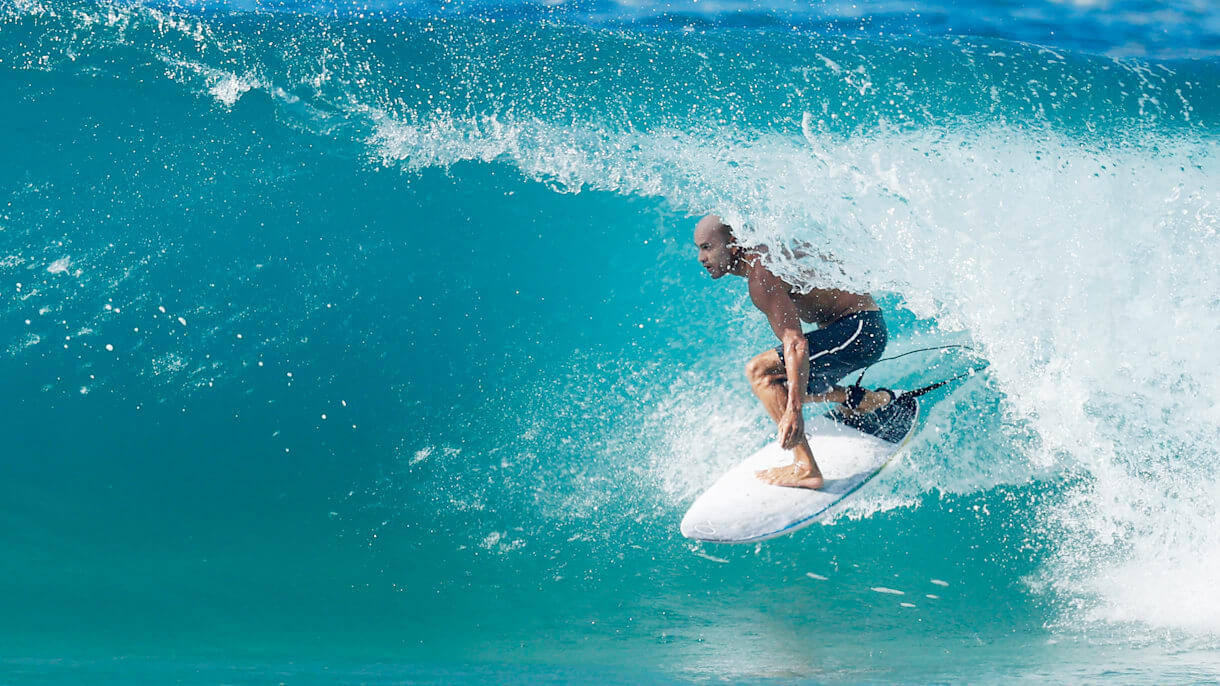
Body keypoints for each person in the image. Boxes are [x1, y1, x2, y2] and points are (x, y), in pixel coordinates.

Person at [694, 214, 894, 490]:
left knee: (760, 372)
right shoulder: (765, 254)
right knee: (781, 387)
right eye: (699, 249)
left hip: (859, 331)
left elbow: (796, 343)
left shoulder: (761, 275)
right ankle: (864, 400)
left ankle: (806, 468)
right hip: (861, 328)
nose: (701, 258)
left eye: (707, 247)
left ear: (734, 243)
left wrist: (795, 411)